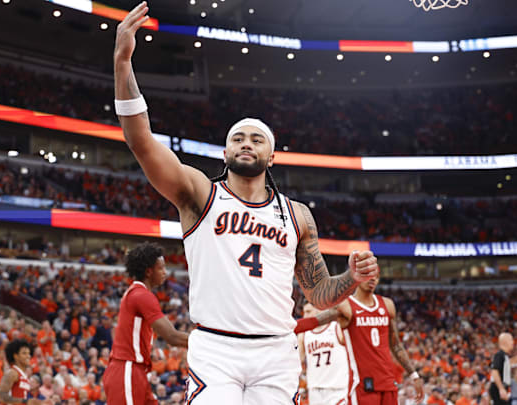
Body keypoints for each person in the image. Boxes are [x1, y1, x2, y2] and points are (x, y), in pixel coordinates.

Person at [113, 3, 379, 403]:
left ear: (271, 157)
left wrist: (352, 279)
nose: (246, 143)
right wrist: (122, 63)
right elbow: (142, 142)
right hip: (216, 348)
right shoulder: (200, 194)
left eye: (257, 139)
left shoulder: (297, 215)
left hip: (276, 350)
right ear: (225, 153)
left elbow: (320, 293)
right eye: (238, 138)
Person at [102, 242, 189, 405]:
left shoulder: (137, 293)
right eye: (161, 268)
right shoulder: (141, 295)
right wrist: (209, 343)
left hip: (136, 370)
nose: (165, 272)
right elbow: (172, 337)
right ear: (149, 271)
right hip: (127, 369)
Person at [336, 272, 423, 405]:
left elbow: (396, 345)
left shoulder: (387, 305)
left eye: (376, 276)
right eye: (367, 275)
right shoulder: (346, 306)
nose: (372, 279)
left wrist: (414, 375)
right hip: (363, 383)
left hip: (387, 381)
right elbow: (318, 319)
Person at [298, 303, 353, 405]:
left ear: (319, 310)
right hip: (315, 390)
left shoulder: (337, 327)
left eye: (308, 312)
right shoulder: (304, 335)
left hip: (338, 389)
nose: (305, 316)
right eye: (304, 312)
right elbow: (298, 363)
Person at [488, 333, 517, 405]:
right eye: (511, 340)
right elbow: (494, 371)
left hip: (500, 387)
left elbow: (508, 363)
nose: (513, 342)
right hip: (498, 387)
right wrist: (501, 389)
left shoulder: (504, 355)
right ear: (505, 342)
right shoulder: (499, 355)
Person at [0, 339, 42, 405]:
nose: (28, 356)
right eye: (24, 353)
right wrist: (25, 401)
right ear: (16, 356)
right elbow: (1, 396)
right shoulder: (12, 373)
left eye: (29, 353)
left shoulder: (24, 375)